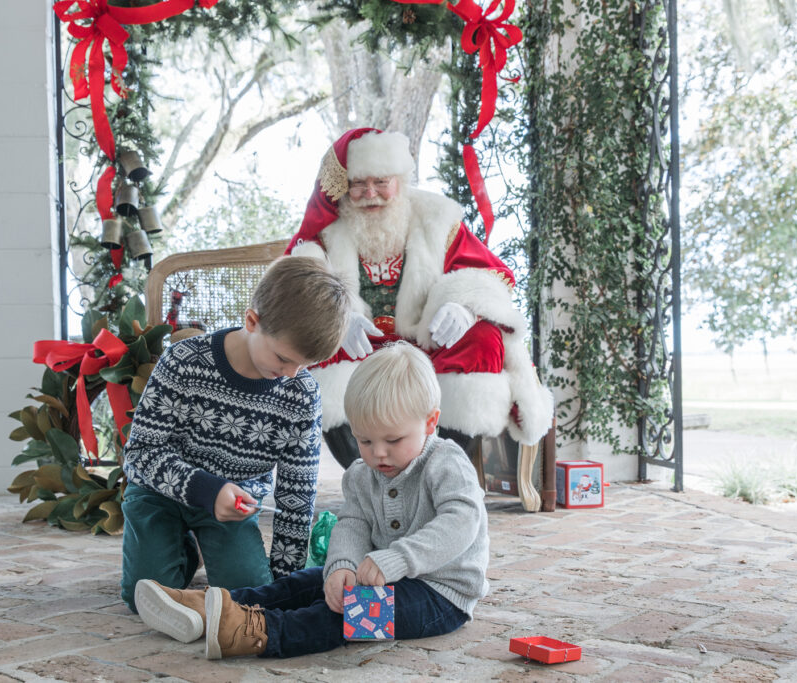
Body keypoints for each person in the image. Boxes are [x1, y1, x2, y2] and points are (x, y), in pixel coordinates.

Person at [131, 341, 490, 660]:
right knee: (303, 583)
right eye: (364, 441)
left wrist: (398, 558)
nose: (378, 453)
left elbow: (460, 521)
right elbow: (353, 525)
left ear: (430, 423)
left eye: (393, 440)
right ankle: (211, 607)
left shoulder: (447, 462)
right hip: (380, 577)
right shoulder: (363, 475)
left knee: (348, 615)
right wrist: (341, 568)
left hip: (440, 595)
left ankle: (255, 632)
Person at [284, 127, 553, 466]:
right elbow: (298, 289)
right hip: (360, 347)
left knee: (484, 339)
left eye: (381, 181)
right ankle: (366, 475)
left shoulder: (438, 219)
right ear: (344, 187)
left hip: (427, 344)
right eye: (358, 184)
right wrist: (335, 318)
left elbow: (489, 275)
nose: (371, 193)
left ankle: (444, 468)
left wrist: (464, 308)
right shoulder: (325, 233)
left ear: (400, 180)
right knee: (317, 345)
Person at [119, 256, 352, 612]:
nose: (291, 374)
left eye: (304, 366)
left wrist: (283, 585)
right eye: (283, 359)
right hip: (159, 494)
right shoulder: (184, 362)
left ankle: (204, 546)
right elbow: (139, 453)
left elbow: (296, 498)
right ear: (252, 321)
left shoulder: (301, 394)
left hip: (232, 507)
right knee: (144, 598)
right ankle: (180, 550)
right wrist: (206, 489)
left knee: (248, 596)